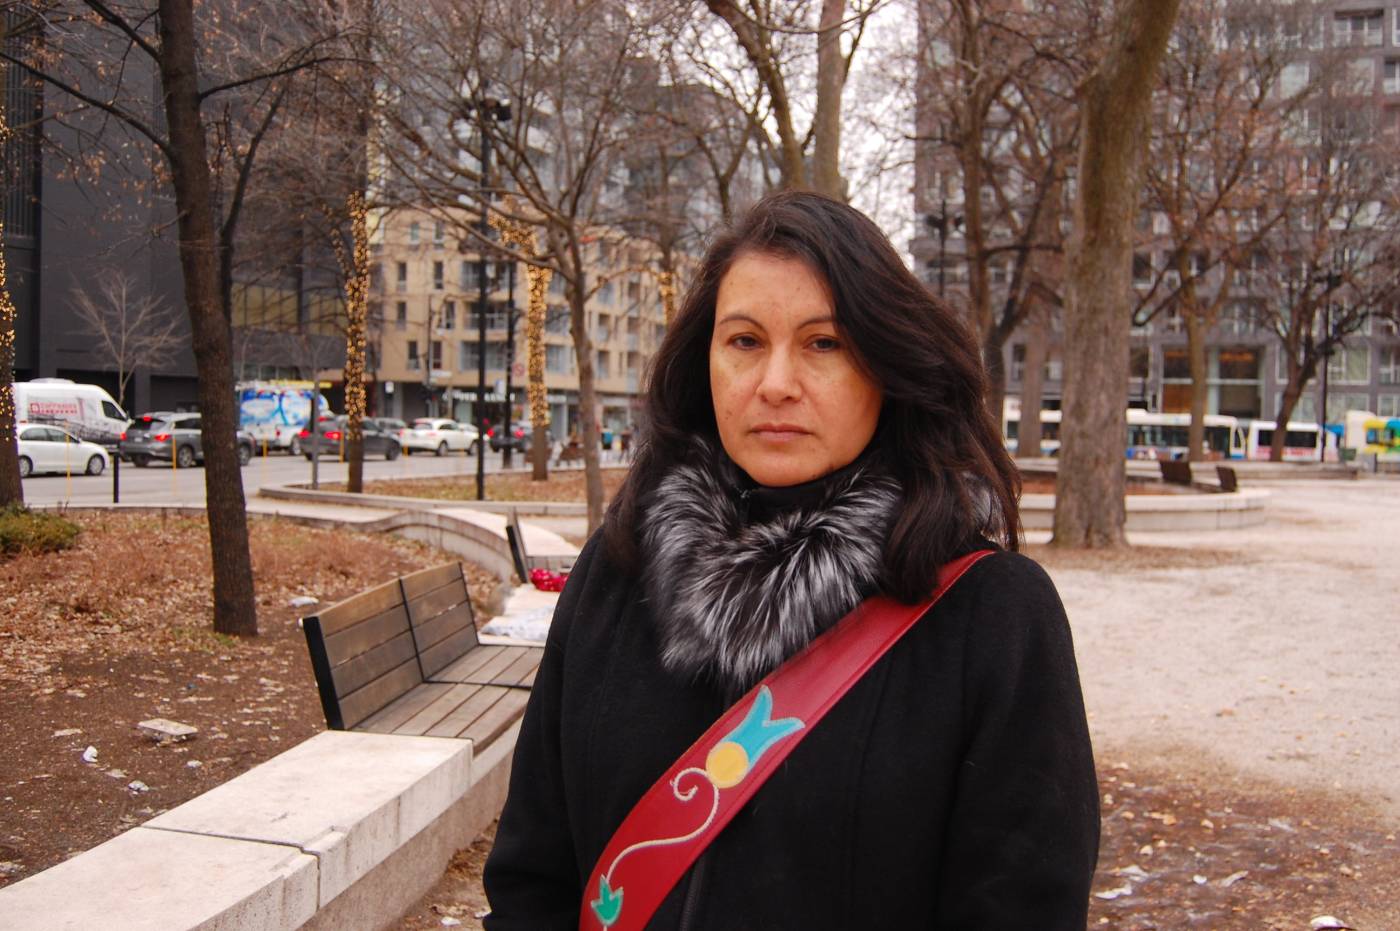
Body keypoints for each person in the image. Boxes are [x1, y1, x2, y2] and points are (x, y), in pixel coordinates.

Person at [483, 191, 1099, 929]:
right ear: (704, 361)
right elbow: (532, 878)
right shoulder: (615, 577)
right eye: (744, 341)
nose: (775, 382)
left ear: (887, 364)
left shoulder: (992, 617)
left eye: (823, 343)